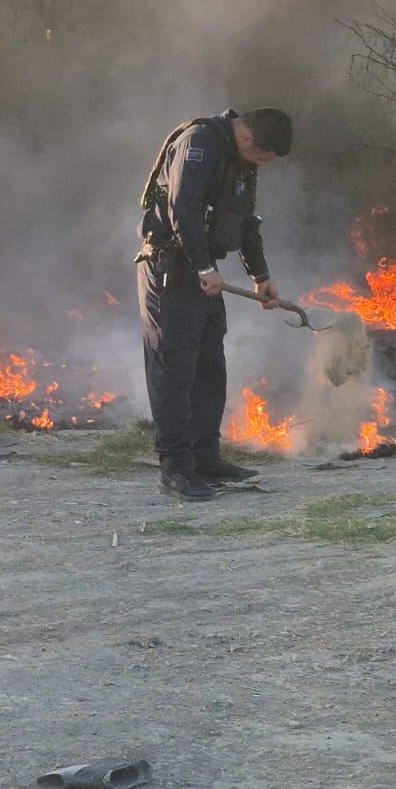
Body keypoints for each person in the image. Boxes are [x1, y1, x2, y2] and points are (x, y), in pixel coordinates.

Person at [135, 107, 293, 501]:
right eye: (261, 157)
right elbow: (182, 208)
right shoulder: (199, 143)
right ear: (247, 138)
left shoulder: (239, 159)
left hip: (203, 273)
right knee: (175, 368)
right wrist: (203, 267)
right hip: (171, 268)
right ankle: (176, 468)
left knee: (209, 366)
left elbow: (246, 220)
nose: (260, 165)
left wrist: (261, 274)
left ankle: (205, 458)